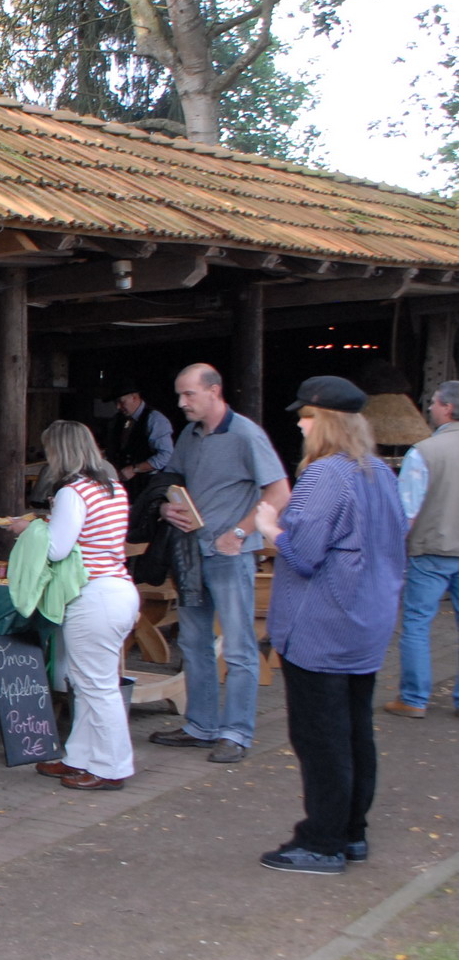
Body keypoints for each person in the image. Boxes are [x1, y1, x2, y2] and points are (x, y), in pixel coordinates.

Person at [252, 376, 406, 874]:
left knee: (321, 739)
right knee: (356, 731)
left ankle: (322, 842)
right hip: (367, 622)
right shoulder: (381, 472)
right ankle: (351, 831)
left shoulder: (324, 476)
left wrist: (270, 527)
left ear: (327, 423)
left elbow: (303, 553)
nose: (298, 422)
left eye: (306, 415)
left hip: (321, 626)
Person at [148, 364, 289, 764]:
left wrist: (242, 532)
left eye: (189, 394)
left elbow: (280, 491)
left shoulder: (245, 433)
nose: (182, 403)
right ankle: (201, 726)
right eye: (179, 395)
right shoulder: (190, 436)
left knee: (241, 646)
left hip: (230, 555)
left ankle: (236, 732)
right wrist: (164, 508)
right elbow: (171, 480)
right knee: (193, 642)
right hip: (192, 553)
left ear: (214, 391)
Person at [30, 421, 139, 791]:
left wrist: (30, 529)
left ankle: (112, 766)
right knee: (88, 681)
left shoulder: (72, 492)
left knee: (97, 686)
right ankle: (79, 756)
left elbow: (56, 548)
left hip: (93, 596)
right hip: (118, 589)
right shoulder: (112, 489)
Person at [392, 379, 459, 719]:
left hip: (431, 549)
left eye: (433, 402)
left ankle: (414, 698)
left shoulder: (423, 453)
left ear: (447, 408)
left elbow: (406, 512)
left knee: (417, 624)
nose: (429, 407)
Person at [103, 380, 174, 501]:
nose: (118, 407)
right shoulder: (118, 419)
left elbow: (166, 455)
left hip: (147, 487)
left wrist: (135, 468)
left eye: (121, 402)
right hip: (124, 486)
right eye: (116, 403)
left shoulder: (155, 420)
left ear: (134, 398)